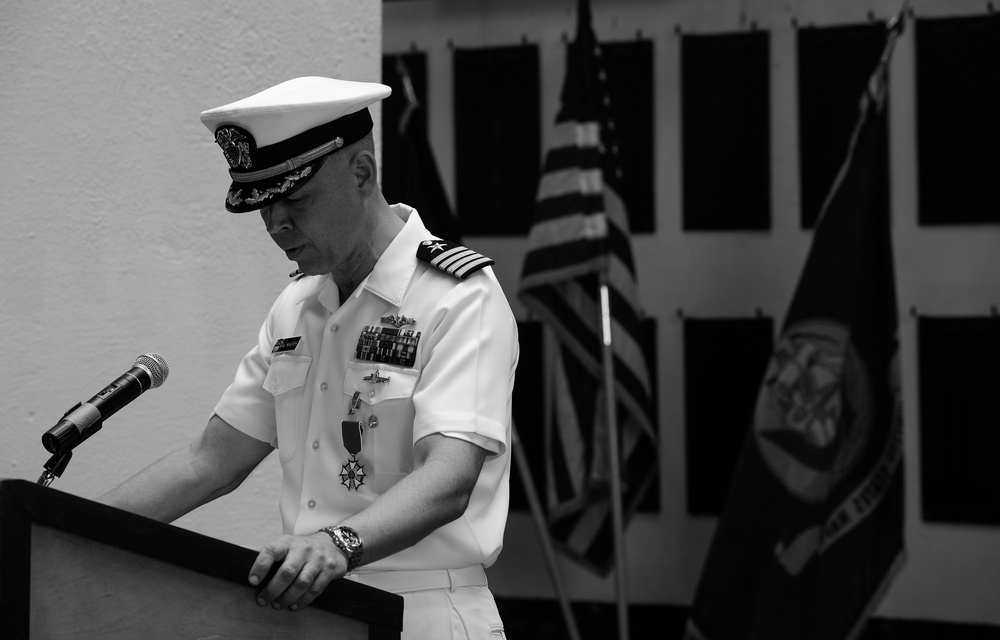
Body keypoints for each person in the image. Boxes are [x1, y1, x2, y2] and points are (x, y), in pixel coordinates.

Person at [98, 76, 519, 640]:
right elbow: (209, 461)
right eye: (263, 205)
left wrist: (336, 545)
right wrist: (59, 532)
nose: (276, 225)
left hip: (423, 613)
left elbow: (448, 477)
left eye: (295, 200)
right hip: (312, 614)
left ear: (363, 173)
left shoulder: (457, 297)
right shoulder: (297, 306)